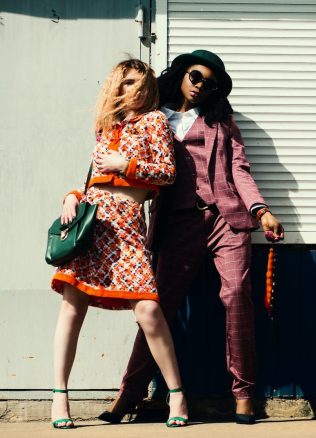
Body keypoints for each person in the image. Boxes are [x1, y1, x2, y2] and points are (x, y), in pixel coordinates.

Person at [100, 49, 284, 425]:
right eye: (196, 77)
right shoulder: (152, 119)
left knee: (236, 297)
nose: (201, 86)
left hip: (225, 219)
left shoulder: (222, 122)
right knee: (157, 308)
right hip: (177, 223)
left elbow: (240, 170)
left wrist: (260, 210)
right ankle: (129, 395)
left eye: (210, 83)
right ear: (182, 75)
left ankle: (244, 394)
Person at [50, 59, 188, 429]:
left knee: (148, 312)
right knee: (72, 308)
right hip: (93, 222)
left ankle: (177, 396)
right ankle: (59, 398)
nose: (133, 90)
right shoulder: (105, 126)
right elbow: (93, 174)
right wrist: (72, 194)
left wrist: (126, 164)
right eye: (125, 83)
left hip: (126, 227)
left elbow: (167, 172)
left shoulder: (154, 121)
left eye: (139, 83)